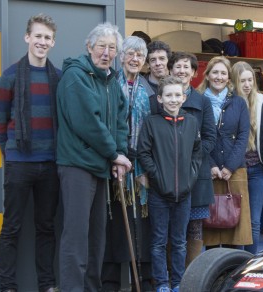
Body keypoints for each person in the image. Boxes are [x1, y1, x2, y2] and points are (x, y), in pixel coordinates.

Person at [56, 22, 131, 292]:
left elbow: (121, 120)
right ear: (89, 47)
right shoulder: (76, 76)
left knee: (96, 238)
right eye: (102, 46)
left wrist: (119, 153)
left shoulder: (112, 80)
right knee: (76, 237)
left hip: (101, 166)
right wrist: (114, 154)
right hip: (77, 165)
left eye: (112, 48)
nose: (107, 52)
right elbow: (87, 122)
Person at [0, 13, 60, 292]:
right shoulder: (9, 77)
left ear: (53, 42)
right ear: (27, 37)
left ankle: (47, 285)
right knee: (11, 228)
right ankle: (7, 286)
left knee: (46, 228)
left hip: (51, 163)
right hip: (19, 162)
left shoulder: (58, 77)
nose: (42, 42)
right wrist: (11, 153)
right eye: (38, 36)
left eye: (47, 37)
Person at [137, 76, 202, 292]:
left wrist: (190, 177)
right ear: (160, 98)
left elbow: (196, 152)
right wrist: (156, 176)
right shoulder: (152, 123)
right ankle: (162, 283)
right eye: (168, 95)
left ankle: (177, 283)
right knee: (158, 242)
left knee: (180, 242)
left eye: (177, 95)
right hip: (159, 194)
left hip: (184, 194)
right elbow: (143, 153)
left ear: (183, 97)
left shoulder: (191, 122)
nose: (173, 99)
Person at [102, 36, 154, 292]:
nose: (135, 60)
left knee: (140, 226)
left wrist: (144, 167)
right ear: (121, 56)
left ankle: (141, 283)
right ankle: (110, 283)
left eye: (140, 56)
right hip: (115, 163)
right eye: (131, 54)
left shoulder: (149, 91)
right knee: (113, 224)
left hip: (140, 168)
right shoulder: (110, 84)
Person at [167, 51, 216, 265]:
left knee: (194, 228)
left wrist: (191, 160)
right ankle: (172, 278)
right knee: (171, 227)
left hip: (196, 176)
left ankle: (191, 278)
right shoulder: (164, 98)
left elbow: (209, 137)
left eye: (186, 67)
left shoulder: (203, 102)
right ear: (170, 70)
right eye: (177, 66)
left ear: (194, 72)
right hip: (168, 175)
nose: (181, 71)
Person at [201, 56, 252, 247]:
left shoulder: (238, 103)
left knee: (234, 229)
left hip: (235, 171)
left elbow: (243, 136)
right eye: (215, 72)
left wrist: (230, 166)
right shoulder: (198, 102)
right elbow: (197, 139)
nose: (219, 77)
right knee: (212, 228)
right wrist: (211, 165)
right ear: (207, 75)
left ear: (229, 78)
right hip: (209, 173)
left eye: (223, 73)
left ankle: (231, 273)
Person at [231, 61, 263, 253]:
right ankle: (235, 264)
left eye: (250, 80)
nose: (247, 85)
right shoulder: (230, 102)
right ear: (234, 82)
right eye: (242, 81)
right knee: (235, 219)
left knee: (254, 220)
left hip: (257, 168)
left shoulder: (262, 101)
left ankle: (250, 262)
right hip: (235, 169)